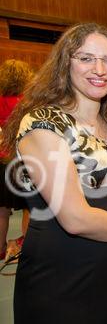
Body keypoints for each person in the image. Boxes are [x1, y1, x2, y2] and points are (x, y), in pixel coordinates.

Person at [1, 23, 107, 323]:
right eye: (86, 58)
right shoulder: (43, 122)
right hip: (59, 278)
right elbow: (75, 218)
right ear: (65, 64)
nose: (100, 69)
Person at [0, 59, 33, 260]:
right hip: (21, 161)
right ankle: (27, 251)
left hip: (0, 160)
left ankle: (1, 249)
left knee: (1, 209)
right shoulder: (27, 102)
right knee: (29, 208)